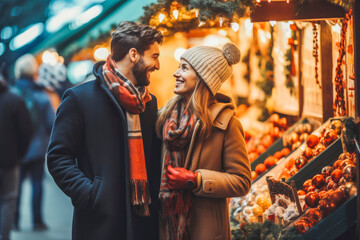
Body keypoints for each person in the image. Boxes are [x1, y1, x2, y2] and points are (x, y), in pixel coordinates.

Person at [47, 21, 163, 240]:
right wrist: (91, 195)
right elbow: (58, 157)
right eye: (155, 56)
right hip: (101, 222)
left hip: (144, 222)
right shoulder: (79, 98)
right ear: (134, 54)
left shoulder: (149, 102)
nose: (158, 65)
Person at [156, 43, 252, 240]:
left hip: (204, 230)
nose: (175, 73)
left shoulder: (227, 125)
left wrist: (196, 180)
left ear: (202, 77)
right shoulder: (164, 118)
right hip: (168, 226)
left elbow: (242, 181)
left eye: (184, 68)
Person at [12, 54, 55, 231]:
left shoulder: (12, 95)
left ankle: (14, 220)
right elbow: (52, 124)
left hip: (17, 149)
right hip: (37, 148)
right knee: (37, 184)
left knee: (16, 185)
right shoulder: (43, 96)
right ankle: (37, 221)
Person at [0, 66, 33, 240]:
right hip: (9, 160)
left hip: (10, 158)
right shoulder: (15, 101)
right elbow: (26, 132)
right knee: (7, 201)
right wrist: (19, 154)